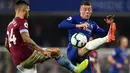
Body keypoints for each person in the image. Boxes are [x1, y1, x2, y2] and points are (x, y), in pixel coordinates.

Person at [4, 0, 89, 73]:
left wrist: (16, 55)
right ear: (23, 9)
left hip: (18, 62)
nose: (29, 13)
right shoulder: (22, 21)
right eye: (28, 10)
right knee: (56, 52)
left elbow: (6, 45)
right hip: (26, 58)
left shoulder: (9, 25)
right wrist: (42, 51)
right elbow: (26, 39)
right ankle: (75, 70)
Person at [58, 1, 116, 73]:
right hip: (73, 50)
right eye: (85, 9)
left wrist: (108, 25)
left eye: (89, 9)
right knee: (89, 45)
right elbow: (61, 25)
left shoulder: (92, 24)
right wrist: (77, 25)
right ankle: (106, 39)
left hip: (85, 55)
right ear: (80, 10)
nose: (87, 11)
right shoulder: (74, 19)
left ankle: (106, 38)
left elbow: (104, 33)